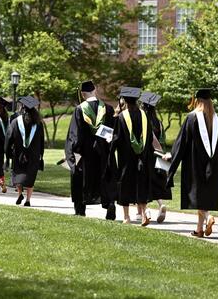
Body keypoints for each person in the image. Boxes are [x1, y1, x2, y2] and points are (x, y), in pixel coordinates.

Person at [167, 88, 218, 238]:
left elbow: (181, 144)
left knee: (197, 196)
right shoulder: (217, 119)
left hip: (195, 167)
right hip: (213, 167)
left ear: (198, 100)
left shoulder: (191, 118)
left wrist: (172, 158)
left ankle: (208, 218)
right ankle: (199, 230)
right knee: (203, 198)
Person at [64, 80, 117, 219]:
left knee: (82, 179)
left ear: (82, 94)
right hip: (104, 153)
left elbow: (75, 137)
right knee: (105, 178)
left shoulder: (79, 110)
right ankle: (110, 204)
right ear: (95, 90)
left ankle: (81, 209)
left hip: (85, 155)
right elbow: (112, 133)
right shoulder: (108, 108)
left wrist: (72, 152)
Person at [110, 87, 154, 226]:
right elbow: (149, 137)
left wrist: (110, 148)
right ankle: (144, 213)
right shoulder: (145, 115)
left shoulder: (122, 117)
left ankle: (126, 217)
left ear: (124, 100)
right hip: (143, 157)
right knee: (141, 183)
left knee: (125, 184)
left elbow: (116, 138)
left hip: (126, 158)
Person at [5, 96, 45, 207]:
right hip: (34, 154)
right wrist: (41, 154)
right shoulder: (38, 123)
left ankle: (19, 194)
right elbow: (42, 141)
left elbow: (9, 138)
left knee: (18, 175)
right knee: (30, 177)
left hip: (19, 154)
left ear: (22, 107)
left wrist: (8, 152)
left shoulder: (15, 122)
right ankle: (28, 200)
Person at [140, 91, 172, 223]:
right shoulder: (158, 122)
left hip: (144, 156)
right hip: (158, 155)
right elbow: (162, 140)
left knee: (142, 183)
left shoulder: (141, 120)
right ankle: (160, 204)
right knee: (155, 183)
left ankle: (145, 210)